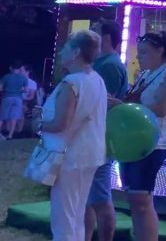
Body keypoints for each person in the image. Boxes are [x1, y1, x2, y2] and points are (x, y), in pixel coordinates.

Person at [108, 31, 166, 241]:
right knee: (135, 198)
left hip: (153, 143)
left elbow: (161, 108)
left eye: (144, 52)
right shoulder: (147, 74)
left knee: (141, 199)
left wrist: (124, 106)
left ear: (161, 51)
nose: (139, 57)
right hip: (135, 141)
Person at [37, 30, 107, 241]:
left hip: (69, 156)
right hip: (90, 154)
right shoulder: (96, 80)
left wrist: (38, 124)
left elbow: (61, 123)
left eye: (66, 48)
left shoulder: (72, 83)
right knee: (76, 214)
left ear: (76, 52)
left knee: (64, 218)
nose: (60, 53)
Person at [85, 19, 129, 241]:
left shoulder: (109, 66)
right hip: (91, 137)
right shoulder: (102, 63)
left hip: (100, 138)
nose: (90, 34)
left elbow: (106, 102)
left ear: (106, 38)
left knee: (100, 197)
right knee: (89, 197)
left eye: (95, 31)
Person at [1, 60, 29, 139]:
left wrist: (7, 89)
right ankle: (10, 135)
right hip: (18, 99)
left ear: (11, 68)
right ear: (19, 68)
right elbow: (26, 90)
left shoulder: (6, 76)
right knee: (14, 117)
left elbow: (0, 88)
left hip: (7, 97)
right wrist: (19, 90)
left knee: (2, 116)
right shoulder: (23, 78)